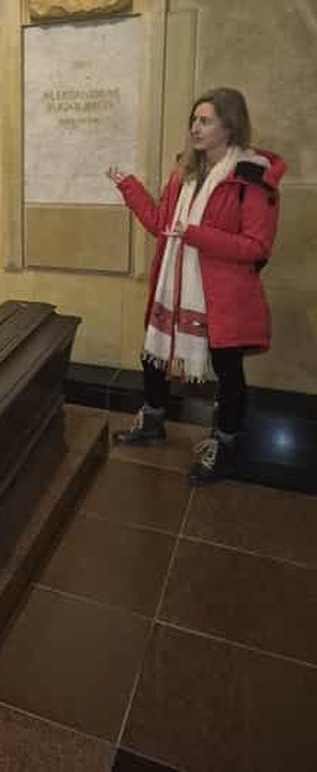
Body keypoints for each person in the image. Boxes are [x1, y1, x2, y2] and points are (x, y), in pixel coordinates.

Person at [106, 87, 286, 484]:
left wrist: (197, 235)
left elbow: (258, 246)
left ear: (230, 125)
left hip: (222, 297)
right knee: (152, 355)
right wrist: (129, 187)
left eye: (205, 120)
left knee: (227, 370)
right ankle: (152, 421)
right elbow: (161, 225)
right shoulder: (184, 172)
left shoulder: (252, 179)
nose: (195, 128)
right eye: (193, 120)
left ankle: (224, 445)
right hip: (174, 284)